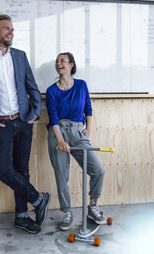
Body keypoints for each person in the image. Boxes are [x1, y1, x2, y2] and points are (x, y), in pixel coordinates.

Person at [0, 14, 50, 234]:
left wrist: (35, 111)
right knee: (4, 171)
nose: (11, 32)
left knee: (21, 170)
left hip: (23, 121)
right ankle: (38, 199)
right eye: (7, 28)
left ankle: (22, 216)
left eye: (13, 29)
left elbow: (32, 85)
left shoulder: (19, 56)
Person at [46, 52, 106, 231]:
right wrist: (60, 140)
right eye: (57, 61)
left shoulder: (81, 85)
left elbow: (88, 108)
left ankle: (93, 206)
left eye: (62, 60)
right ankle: (67, 212)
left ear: (71, 65)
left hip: (79, 132)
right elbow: (54, 118)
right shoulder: (51, 90)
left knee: (98, 171)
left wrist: (88, 129)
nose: (59, 63)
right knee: (62, 175)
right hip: (58, 132)